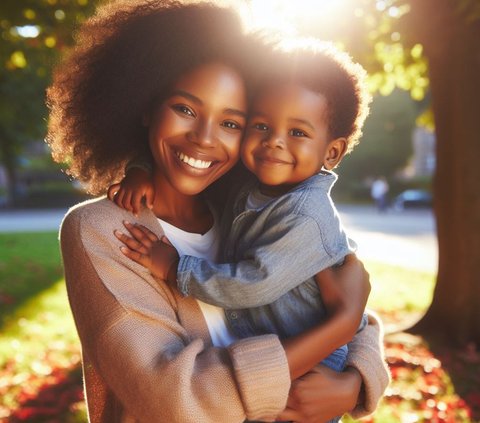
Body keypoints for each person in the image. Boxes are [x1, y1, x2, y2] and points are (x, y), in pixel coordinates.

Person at [47, 1, 390, 422]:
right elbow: (172, 400)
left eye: (231, 122)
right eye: (186, 109)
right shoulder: (100, 230)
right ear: (146, 106)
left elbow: (344, 310)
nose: (204, 138)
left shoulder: (243, 206)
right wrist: (336, 328)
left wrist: (353, 382)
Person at [111, 40, 370, 423]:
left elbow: (253, 285)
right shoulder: (249, 185)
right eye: (261, 126)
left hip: (309, 367)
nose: (274, 141)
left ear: (331, 153)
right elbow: (187, 158)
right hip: (263, 369)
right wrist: (138, 169)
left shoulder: (305, 216)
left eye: (297, 132)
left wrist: (174, 268)